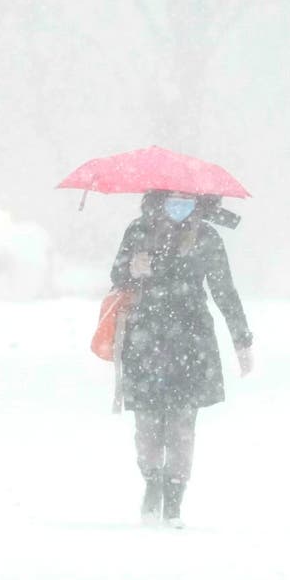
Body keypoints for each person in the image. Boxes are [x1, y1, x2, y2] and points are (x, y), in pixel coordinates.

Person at [110, 190, 253, 527]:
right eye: (173, 199)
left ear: (198, 202)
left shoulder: (206, 236)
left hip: (191, 341)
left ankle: (174, 499)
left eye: (186, 200)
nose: (179, 206)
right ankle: (152, 484)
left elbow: (224, 290)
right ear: (159, 200)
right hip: (145, 337)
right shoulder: (138, 231)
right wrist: (133, 268)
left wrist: (241, 339)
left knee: (181, 425)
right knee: (146, 421)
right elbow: (117, 277)